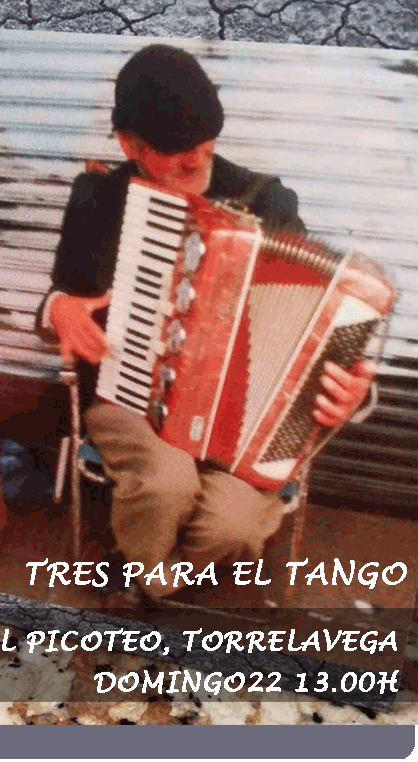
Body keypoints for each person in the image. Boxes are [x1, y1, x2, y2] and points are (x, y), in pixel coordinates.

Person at [36, 44, 376, 603]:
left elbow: (314, 320)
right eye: (174, 154)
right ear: (129, 145)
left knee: (234, 525)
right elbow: (63, 299)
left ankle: (151, 580)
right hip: (131, 399)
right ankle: (155, 589)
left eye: (204, 147)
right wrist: (57, 307)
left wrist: (352, 389)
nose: (195, 163)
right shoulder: (99, 199)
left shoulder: (266, 201)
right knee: (169, 485)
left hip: (238, 416)